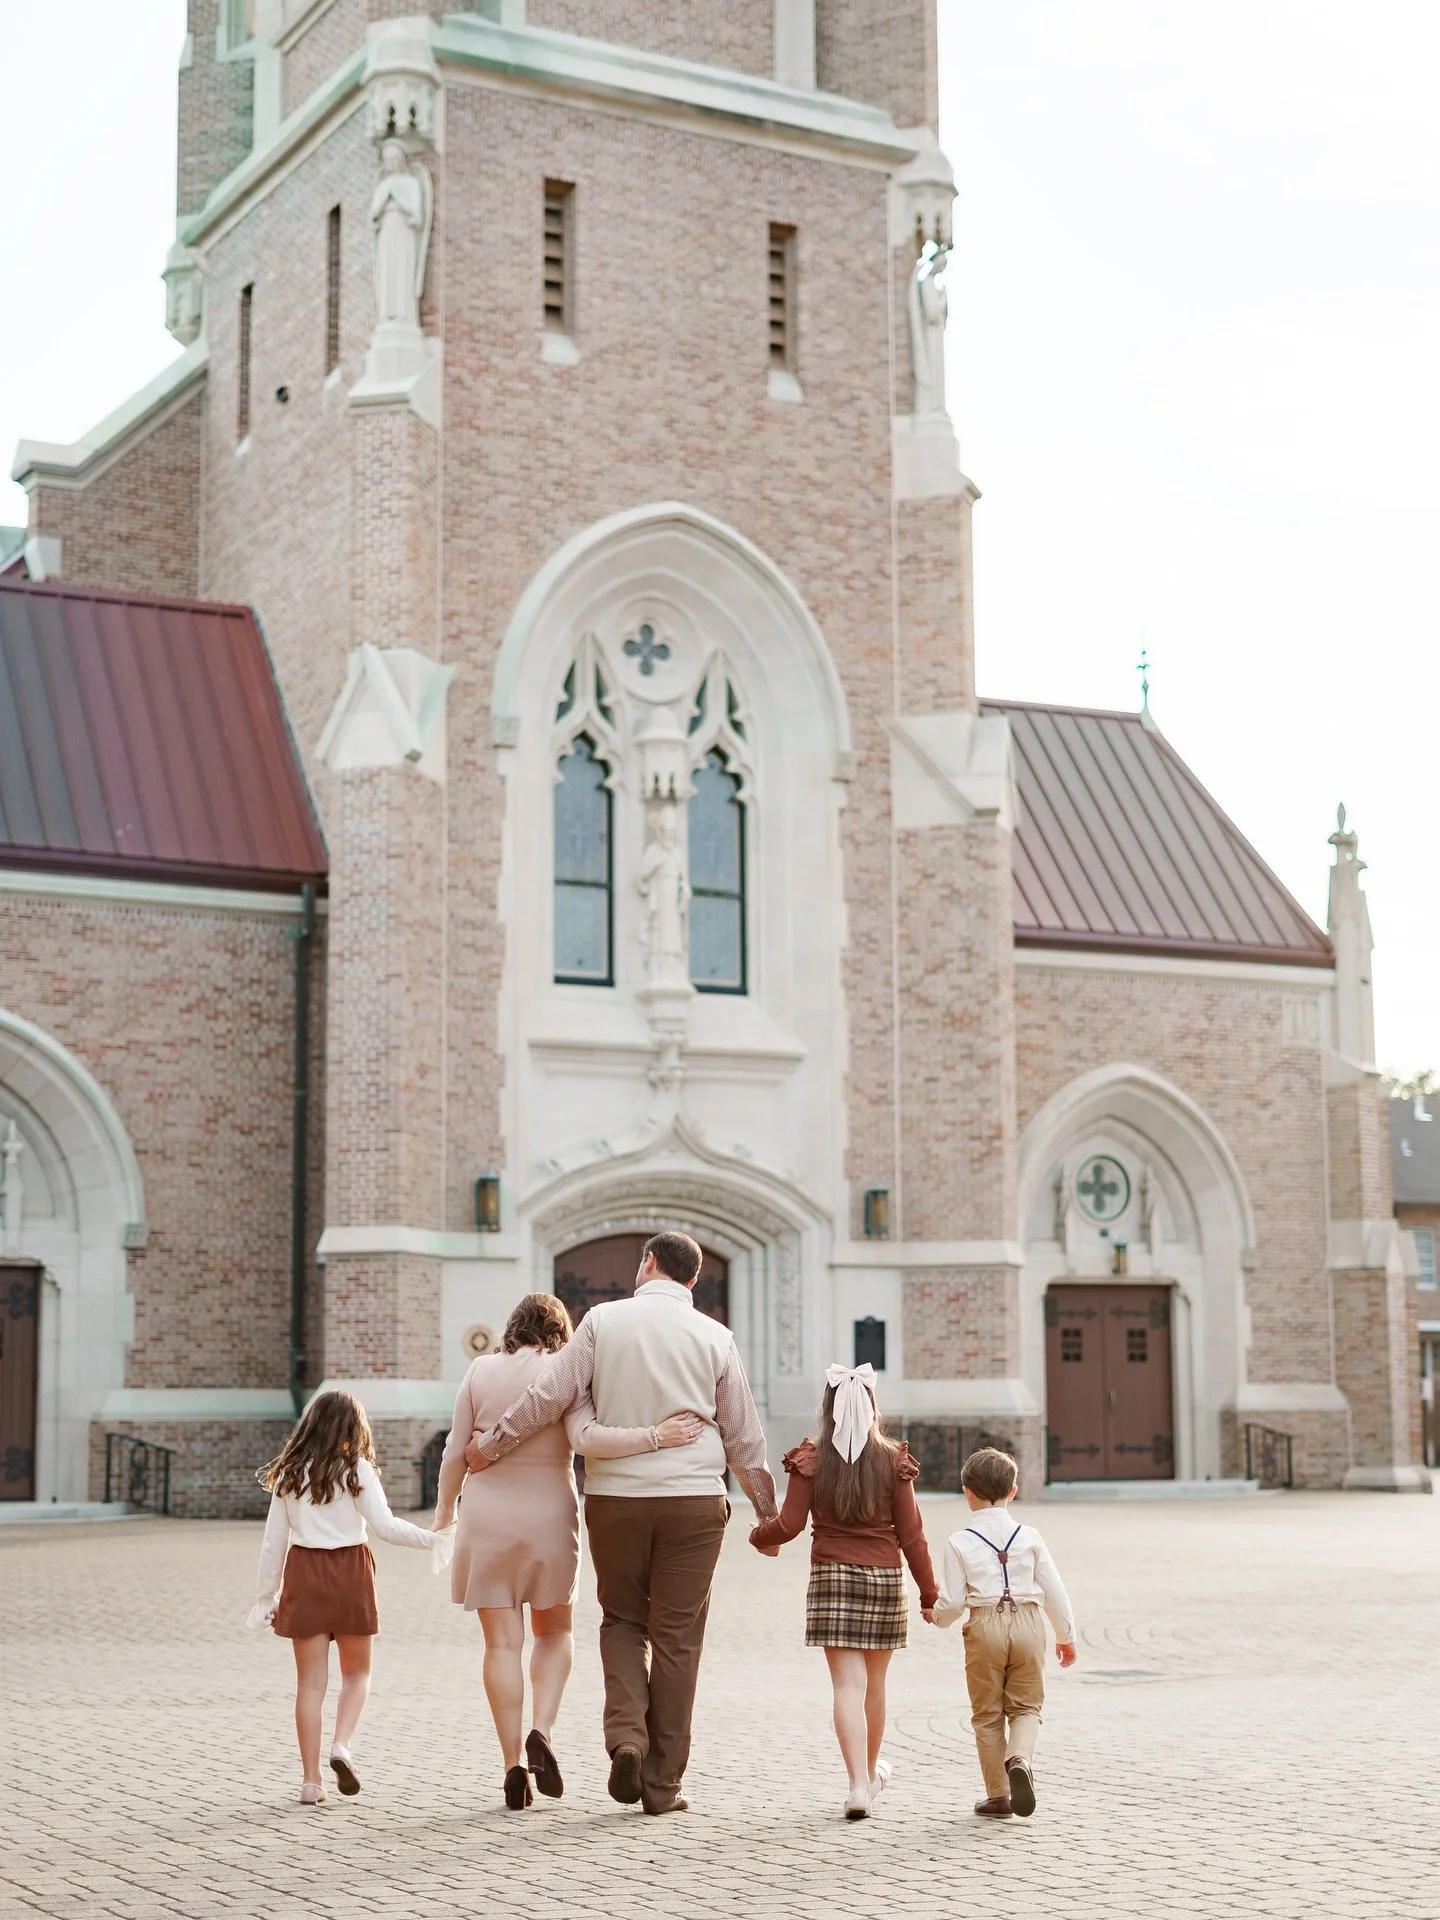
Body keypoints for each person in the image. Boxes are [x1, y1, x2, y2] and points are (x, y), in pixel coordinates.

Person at [466, 1230, 777, 1816]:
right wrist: (768, 1518)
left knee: (623, 1622)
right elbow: (744, 1436)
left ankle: (626, 1739)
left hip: (617, 1501)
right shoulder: (717, 1336)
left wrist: (493, 1446)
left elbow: (549, 1394)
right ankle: (662, 1787)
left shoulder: (602, 1321)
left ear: (648, 1263)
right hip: (694, 1504)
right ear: (693, 1280)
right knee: (679, 1641)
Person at [432, 1292, 705, 1809]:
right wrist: (655, 1437)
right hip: (549, 1517)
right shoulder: (569, 1371)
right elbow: (583, 1439)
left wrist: (445, 1515)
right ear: (562, 1331)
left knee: (500, 1646)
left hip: (487, 1515)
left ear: (512, 1327)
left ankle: (512, 1765)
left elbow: (454, 1452)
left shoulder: (479, 1371)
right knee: (554, 1632)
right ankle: (542, 1730)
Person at [748, 1363, 937, 1820]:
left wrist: (759, 1536)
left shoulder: (813, 1459)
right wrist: (930, 1595)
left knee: (846, 1687)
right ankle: (869, 1780)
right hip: (886, 1581)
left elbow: (790, 1525)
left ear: (827, 1408)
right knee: (875, 1687)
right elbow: (912, 1535)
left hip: (833, 1577)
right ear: (872, 1406)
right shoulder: (893, 1460)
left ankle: (856, 1785)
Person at [251, 1389, 441, 1805]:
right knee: (357, 1674)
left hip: (304, 1574)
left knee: (310, 1685)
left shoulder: (288, 1474)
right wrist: (435, 1540)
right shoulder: (357, 1470)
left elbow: (273, 1543)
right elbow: (387, 1527)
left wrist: (267, 1597)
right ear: (354, 1428)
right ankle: (342, 1746)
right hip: (351, 1573)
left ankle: (310, 1781)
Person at [926, 1445, 1077, 1820]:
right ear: (1013, 1491)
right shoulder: (1030, 1536)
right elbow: (1055, 1590)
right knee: (1027, 1706)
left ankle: (999, 1795)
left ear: (967, 1492)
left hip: (984, 1625)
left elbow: (953, 1601)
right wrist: (1066, 1636)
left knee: (987, 1714)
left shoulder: (959, 1541)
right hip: (1028, 1622)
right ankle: (1020, 1758)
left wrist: (936, 1616)